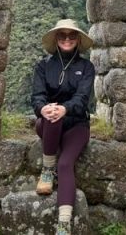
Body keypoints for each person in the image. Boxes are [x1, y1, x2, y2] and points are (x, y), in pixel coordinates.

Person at [31, 19, 96, 235]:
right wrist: (43, 109)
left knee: (66, 163)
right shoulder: (43, 66)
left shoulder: (86, 67)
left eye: (71, 36)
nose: (67, 39)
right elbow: (37, 96)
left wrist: (65, 109)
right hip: (48, 123)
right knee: (51, 115)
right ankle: (47, 169)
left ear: (78, 40)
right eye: (62, 36)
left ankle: (63, 225)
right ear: (56, 39)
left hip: (76, 125)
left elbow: (82, 98)